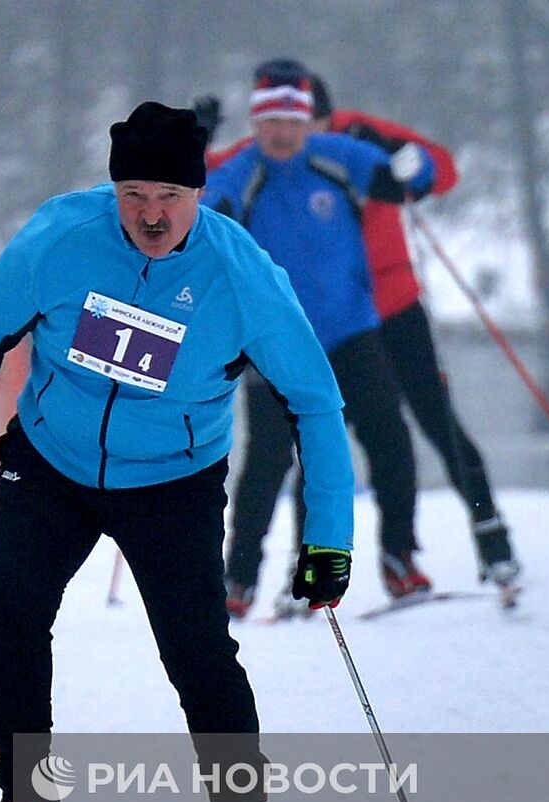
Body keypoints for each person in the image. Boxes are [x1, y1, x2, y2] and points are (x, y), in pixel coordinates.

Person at [0, 102, 356, 802]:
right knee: (9, 615)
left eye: (168, 195)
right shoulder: (60, 238)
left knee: (199, 656)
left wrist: (329, 538)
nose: (150, 215)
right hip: (52, 460)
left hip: (173, 479)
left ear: (198, 192)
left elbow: (316, 401)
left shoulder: (239, 272)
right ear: (111, 189)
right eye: (132, 194)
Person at [206, 72, 520, 591]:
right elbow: (211, 189)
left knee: (431, 425)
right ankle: (300, 572)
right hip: (312, 323)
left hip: (388, 308)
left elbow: (433, 170)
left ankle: (488, 540)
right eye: (278, 120)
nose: (295, 131)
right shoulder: (266, 149)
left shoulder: (352, 140)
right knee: (307, 450)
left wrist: (406, 166)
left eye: (309, 120)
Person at [202, 60, 437, 620]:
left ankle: (398, 560)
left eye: (291, 121)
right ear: (256, 126)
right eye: (269, 123)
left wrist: (406, 157)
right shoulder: (246, 170)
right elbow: (209, 207)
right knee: (268, 461)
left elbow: (410, 178)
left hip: (351, 330)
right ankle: (238, 579)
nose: (280, 134)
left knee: (388, 439)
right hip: (276, 340)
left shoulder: (334, 158)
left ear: (307, 123)